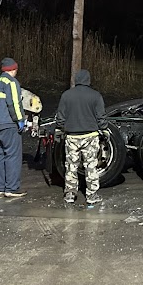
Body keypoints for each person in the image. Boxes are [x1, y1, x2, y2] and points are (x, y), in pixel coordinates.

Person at [55, 69, 106, 205]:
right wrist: (104, 129)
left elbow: (60, 117)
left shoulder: (66, 95)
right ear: (88, 80)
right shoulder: (95, 96)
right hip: (90, 136)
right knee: (91, 166)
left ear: (76, 80)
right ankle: (91, 195)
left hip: (72, 136)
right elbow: (101, 117)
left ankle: (70, 194)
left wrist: (60, 128)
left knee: (71, 166)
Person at [0, 57, 27, 198]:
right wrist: (20, 120)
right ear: (13, 69)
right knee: (13, 155)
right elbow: (14, 103)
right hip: (8, 124)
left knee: (0, 154)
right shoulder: (11, 82)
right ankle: (11, 188)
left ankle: (0, 188)